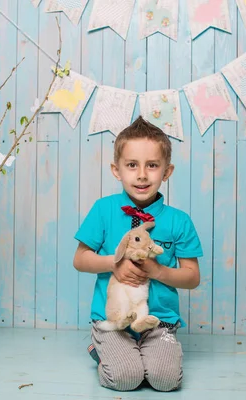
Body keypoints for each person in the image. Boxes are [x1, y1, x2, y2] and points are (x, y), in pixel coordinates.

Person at [73, 116, 203, 392]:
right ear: (116, 170)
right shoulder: (104, 210)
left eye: (152, 166)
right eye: (132, 165)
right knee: (126, 379)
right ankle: (105, 350)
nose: (142, 174)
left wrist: (158, 271)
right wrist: (113, 263)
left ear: (167, 171)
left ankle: (150, 354)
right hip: (115, 321)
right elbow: (80, 259)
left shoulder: (179, 221)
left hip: (159, 322)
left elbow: (192, 277)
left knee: (166, 382)